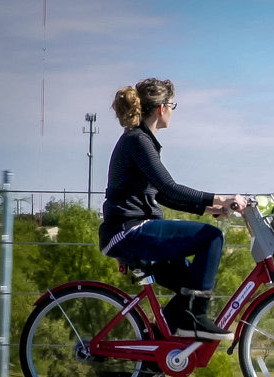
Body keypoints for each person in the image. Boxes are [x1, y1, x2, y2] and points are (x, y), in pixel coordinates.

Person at [99, 77, 247, 341]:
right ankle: (196, 319)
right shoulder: (138, 141)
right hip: (128, 231)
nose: (172, 111)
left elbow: (161, 196)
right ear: (161, 108)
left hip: (131, 230)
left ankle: (152, 360)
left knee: (190, 283)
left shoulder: (141, 140)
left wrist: (208, 209)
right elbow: (169, 187)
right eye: (172, 104)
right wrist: (220, 198)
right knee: (212, 238)